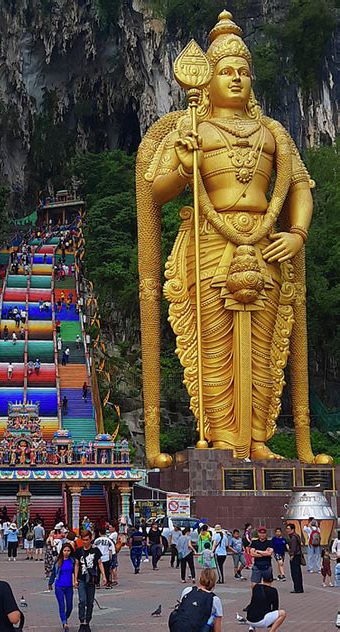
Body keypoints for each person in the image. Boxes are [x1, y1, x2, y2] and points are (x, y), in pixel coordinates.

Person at [137, 10, 332, 467]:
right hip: (210, 243)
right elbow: (156, 190)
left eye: (244, 71)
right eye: (226, 71)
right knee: (215, 346)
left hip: (267, 245)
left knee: (266, 346)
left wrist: (297, 233)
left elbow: (299, 187)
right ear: (208, 80)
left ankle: (260, 440)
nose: (237, 78)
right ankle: (223, 439)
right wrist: (185, 165)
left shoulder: (274, 134)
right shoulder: (192, 128)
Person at [74, 530, 107, 632]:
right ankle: (81, 620)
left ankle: (87, 622)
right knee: (82, 600)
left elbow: (100, 563)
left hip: (92, 580)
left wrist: (104, 576)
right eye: (83, 540)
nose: (85, 542)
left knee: (90, 602)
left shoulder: (95, 551)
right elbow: (76, 565)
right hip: (81, 579)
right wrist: (75, 579)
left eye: (87, 540)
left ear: (90, 539)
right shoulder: (78, 551)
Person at [49, 543, 76, 631]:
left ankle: (64, 618)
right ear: (62, 551)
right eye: (65, 551)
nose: (66, 552)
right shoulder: (58, 561)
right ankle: (64, 623)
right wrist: (50, 583)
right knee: (62, 605)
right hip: (59, 586)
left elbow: (76, 572)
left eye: (68, 551)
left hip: (69, 586)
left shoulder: (73, 560)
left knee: (70, 606)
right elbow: (53, 572)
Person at [286, 523, 304, 593]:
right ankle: (299, 588)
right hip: (298, 555)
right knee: (298, 572)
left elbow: (293, 547)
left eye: (288, 529)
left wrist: (291, 555)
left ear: (292, 529)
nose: (287, 530)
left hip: (295, 556)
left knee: (295, 573)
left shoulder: (293, 537)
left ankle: (297, 588)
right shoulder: (296, 536)